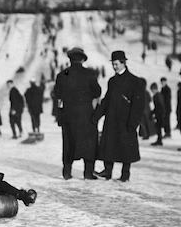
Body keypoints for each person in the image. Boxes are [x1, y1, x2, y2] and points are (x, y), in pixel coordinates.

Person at [93, 50, 145, 182]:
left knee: (126, 148)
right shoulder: (112, 81)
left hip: (126, 121)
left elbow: (138, 105)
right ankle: (107, 171)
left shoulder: (135, 81)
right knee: (109, 145)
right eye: (113, 64)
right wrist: (96, 116)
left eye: (116, 64)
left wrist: (133, 123)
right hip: (111, 119)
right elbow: (106, 101)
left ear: (123, 63)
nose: (114, 67)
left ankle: (125, 174)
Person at [53, 46, 101, 180]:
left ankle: (67, 172)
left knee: (68, 143)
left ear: (70, 59)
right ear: (83, 60)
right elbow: (97, 92)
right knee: (89, 144)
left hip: (68, 115)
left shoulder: (62, 75)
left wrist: (60, 114)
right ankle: (88, 173)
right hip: (86, 115)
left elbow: (57, 94)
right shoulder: (90, 74)